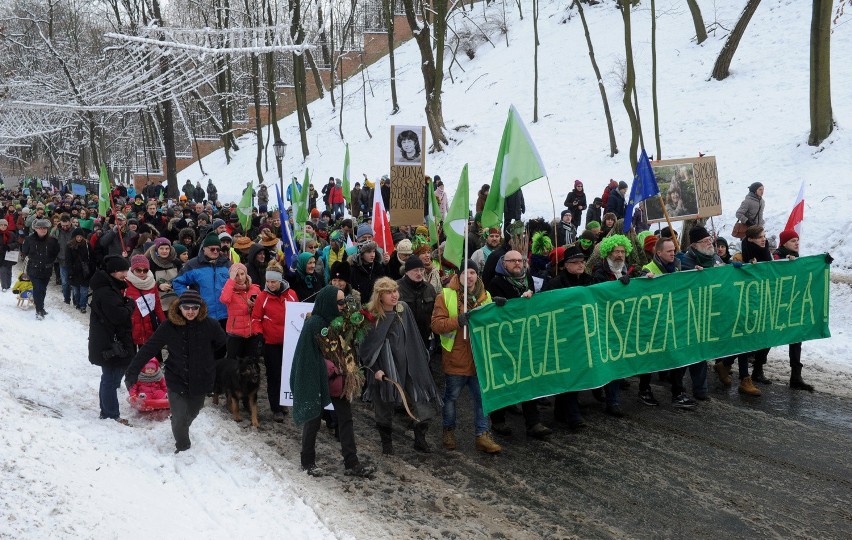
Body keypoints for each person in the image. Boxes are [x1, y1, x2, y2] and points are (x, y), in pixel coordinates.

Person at [125, 291, 227, 453]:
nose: (191, 311)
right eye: (186, 307)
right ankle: (183, 446)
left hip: (201, 379)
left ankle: (179, 424)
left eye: (195, 307)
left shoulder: (211, 325)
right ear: (179, 307)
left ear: (200, 308)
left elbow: (222, 345)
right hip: (176, 377)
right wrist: (132, 371)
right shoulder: (169, 326)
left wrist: (209, 361)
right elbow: (149, 348)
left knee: (193, 411)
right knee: (179, 419)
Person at [291, 285, 375, 477]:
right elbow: (305, 356)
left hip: (339, 379)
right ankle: (308, 461)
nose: (342, 305)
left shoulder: (342, 322)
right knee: (313, 419)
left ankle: (352, 462)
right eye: (339, 302)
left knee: (346, 419)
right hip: (318, 377)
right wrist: (325, 368)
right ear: (328, 302)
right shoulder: (313, 323)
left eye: (344, 301)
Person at [359, 277, 442, 454]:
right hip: (385, 367)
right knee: (384, 405)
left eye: (395, 290)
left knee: (421, 401)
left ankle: (420, 438)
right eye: (389, 292)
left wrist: (421, 358)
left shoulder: (403, 309)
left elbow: (413, 335)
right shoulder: (371, 316)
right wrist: (375, 369)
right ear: (380, 295)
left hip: (410, 364)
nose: (394, 295)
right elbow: (365, 347)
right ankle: (387, 444)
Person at [431, 262, 502, 454]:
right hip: (456, 357)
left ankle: (482, 435)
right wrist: (457, 321)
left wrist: (499, 307)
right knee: (451, 398)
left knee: (482, 399)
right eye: (465, 272)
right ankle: (448, 432)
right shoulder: (445, 295)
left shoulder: (484, 295)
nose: (469, 276)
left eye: (473, 272)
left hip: (479, 359)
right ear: (458, 275)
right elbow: (436, 325)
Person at [485, 251, 551, 439]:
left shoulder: (528, 278)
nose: (517, 264)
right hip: (506, 340)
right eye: (512, 261)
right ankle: (498, 419)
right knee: (504, 378)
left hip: (527, 336)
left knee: (528, 377)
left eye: (520, 261)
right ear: (503, 264)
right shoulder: (496, 283)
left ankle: (533, 422)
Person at [642, 237, 704, 408]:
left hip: (674, 320)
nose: (672, 253)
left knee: (680, 354)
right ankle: (644, 389)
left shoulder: (677, 266)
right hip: (656, 322)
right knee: (651, 357)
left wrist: (696, 273)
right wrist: (644, 280)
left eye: (673, 251)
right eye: (669, 251)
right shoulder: (647, 269)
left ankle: (678, 392)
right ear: (659, 252)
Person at [541, 246, 594, 428]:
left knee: (578, 371)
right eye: (576, 262)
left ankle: (563, 410)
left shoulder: (589, 280)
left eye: (582, 262)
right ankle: (572, 414)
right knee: (568, 372)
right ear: (565, 265)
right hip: (563, 335)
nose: (580, 265)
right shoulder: (555, 284)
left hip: (583, 333)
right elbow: (544, 305)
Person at [89, 256, 136, 425]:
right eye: (122, 271)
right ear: (113, 272)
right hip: (109, 343)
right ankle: (110, 414)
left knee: (111, 376)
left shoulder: (109, 288)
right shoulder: (106, 291)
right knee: (110, 377)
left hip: (109, 340)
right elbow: (118, 316)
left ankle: (108, 411)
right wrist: (130, 305)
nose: (126, 274)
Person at [251, 261, 299, 423]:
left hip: (289, 342)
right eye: (268, 281)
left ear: (280, 280)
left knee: (287, 374)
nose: (270, 284)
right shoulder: (262, 297)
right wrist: (259, 335)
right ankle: (276, 408)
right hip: (271, 342)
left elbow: (298, 315)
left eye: (273, 281)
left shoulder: (291, 295)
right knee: (273, 375)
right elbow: (256, 319)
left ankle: (284, 401)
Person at [773, 230, 814, 392]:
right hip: (777, 305)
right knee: (770, 337)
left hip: (793, 304)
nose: (796, 243)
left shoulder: (797, 257)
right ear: (783, 243)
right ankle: (757, 370)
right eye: (792, 241)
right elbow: (773, 270)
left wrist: (823, 262)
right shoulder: (777, 255)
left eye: (797, 240)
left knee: (796, 338)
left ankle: (796, 376)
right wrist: (785, 262)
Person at [125, 255, 166, 351]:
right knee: (132, 357)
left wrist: (164, 322)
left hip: (148, 323)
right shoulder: (125, 284)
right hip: (131, 325)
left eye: (145, 270)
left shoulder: (152, 283)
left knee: (147, 357)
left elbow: (157, 305)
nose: (142, 273)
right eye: (138, 270)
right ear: (132, 270)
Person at [21, 218, 59, 319]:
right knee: (37, 289)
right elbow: (25, 250)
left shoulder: (52, 240)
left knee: (42, 289)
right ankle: (39, 311)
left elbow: (56, 252)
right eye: (40, 228)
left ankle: (41, 307)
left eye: (45, 228)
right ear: (35, 229)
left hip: (46, 269)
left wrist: (49, 260)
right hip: (33, 268)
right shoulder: (29, 239)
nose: (42, 230)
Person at [395, 256, 437, 350]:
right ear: (407, 272)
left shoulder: (429, 288)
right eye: (415, 270)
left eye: (421, 270)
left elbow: (435, 313)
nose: (419, 273)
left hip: (425, 337)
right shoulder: (396, 288)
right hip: (404, 338)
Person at [147, 237, 181, 312]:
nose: (164, 251)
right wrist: (158, 285)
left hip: (176, 299)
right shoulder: (151, 264)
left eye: (167, 248)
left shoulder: (176, 262)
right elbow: (148, 281)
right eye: (161, 248)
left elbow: (182, 277)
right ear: (157, 250)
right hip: (160, 301)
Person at [0, 218, 19, 291]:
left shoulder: (11, 234)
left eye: (5, 225)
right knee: (3, 271)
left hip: (10, 255)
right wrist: (2, 248)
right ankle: (4, 286)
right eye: (1, 225)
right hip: (1, 256)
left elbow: (16, 243)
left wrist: (9, 246)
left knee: (9, 271)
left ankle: (8, 285)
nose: (3, 226)